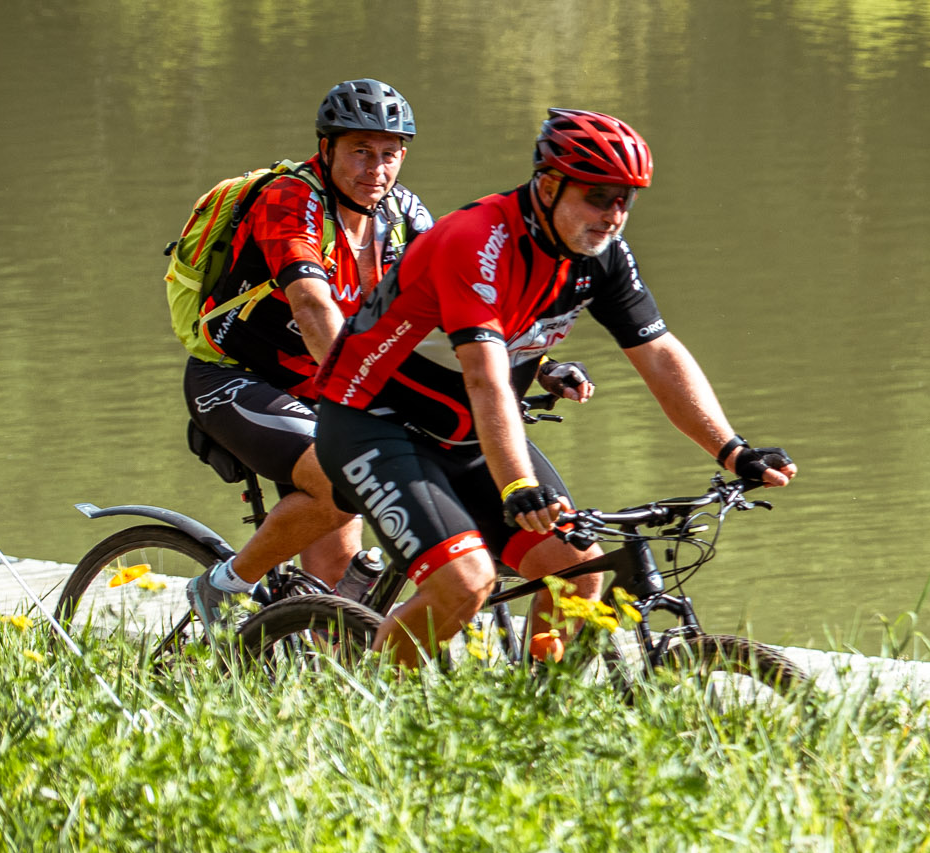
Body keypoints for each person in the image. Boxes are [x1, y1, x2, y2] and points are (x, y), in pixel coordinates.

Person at [311, 107, 796, 665]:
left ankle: (537, 708)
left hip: (467, 437)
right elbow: (485, 377)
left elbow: (659, 355)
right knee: (465, 583)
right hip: (374, 424)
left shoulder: (601, 256)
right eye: (597, 197)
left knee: (578, 574)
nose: (613, 215)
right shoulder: (476, 241)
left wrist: (732, 450)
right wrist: (518, 485)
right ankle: (373, 701)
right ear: (547, 187)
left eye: (624, 200)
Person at [185, 79, 433, 629]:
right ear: (327, 149)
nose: (376, 169)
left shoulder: (402, 215)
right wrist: (368, 393)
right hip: (237, 378)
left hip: (323, 389)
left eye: (389, 154)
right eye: (360, 151)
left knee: (335, 603)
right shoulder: (290, 200)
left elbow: (458, 301)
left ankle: (314, 659)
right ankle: (223, 585)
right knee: (344, 479)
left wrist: (529, 363)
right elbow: (312, 304)